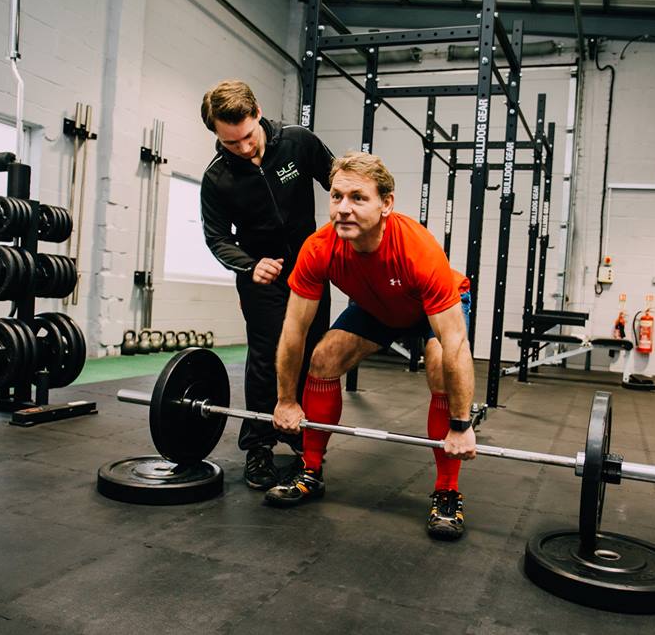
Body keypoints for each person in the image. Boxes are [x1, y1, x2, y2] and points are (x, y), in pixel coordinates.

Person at [268, 151, 476, 540]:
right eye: (336, 196)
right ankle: (311, 469)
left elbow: (455, 343)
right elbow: (294, 329)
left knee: (438, 365)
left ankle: (448, 492)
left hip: (430, 307)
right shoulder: (319, 247)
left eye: (358, 198)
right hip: (378, 305)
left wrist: (462, 425)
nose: (343, 209)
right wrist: (285, 400)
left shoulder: (418, 249)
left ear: (386, 204)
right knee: (324, 356)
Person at [200, 80, 332, 490]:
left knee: (313, 350)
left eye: (246, 138)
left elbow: (339, 178)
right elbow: (217, 237)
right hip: (262, 272)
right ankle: (258, 444)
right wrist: (248, 265)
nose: (242, 148)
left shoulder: (298, 143)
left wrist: (348, 225)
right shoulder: (218, 177)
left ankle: (299, 437)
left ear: (257, 112)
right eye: (229, 142)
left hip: (309, 267)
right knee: (267, 352)